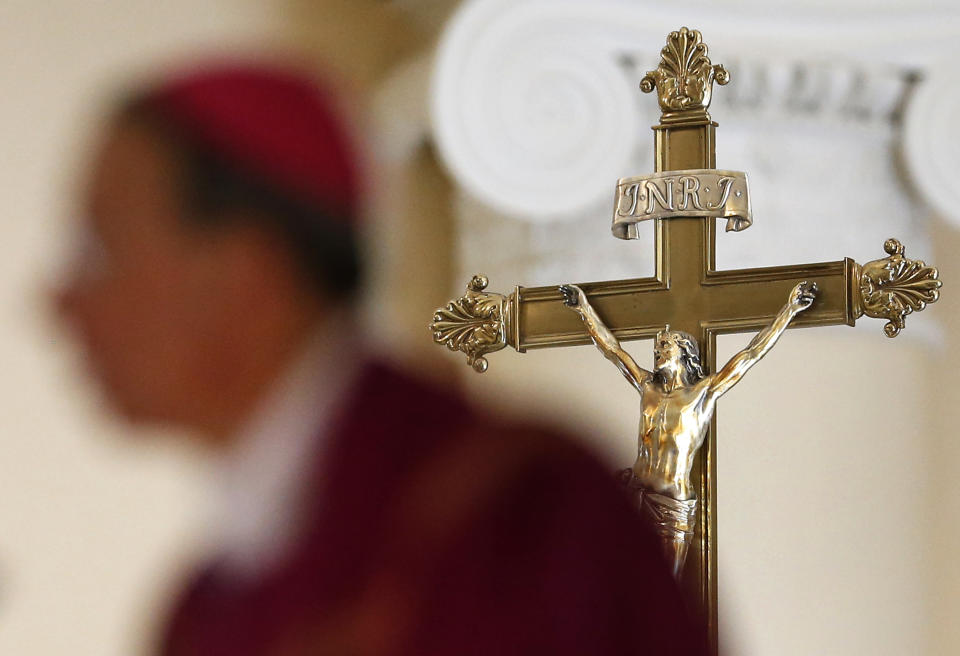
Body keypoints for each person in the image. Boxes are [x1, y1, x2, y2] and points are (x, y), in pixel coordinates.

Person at [56, 60, 707, 655]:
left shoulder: (518, 519)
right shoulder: (202, 609)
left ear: (246, 274)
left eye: (97, 251)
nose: (59, 303)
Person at [560, 280, 817, 577]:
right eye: (656, 347)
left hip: (671, 508)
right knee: (616, 583)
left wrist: (789, 310)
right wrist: (584, 310)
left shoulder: (702, 394)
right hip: (635, 496)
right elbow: (613, 350)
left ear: (683, 351)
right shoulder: (648, 388)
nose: (657, 352)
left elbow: (750, 354)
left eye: (664, 346)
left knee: (664, 592)